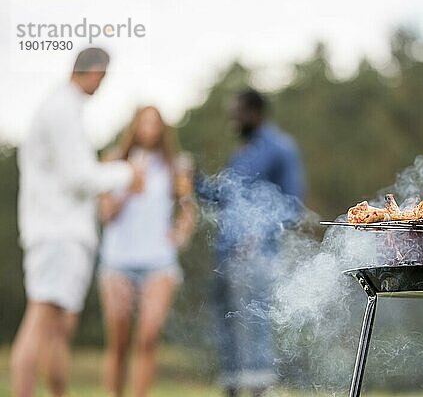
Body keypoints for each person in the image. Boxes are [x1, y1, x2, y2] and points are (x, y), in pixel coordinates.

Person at [12, 48, 144, 397]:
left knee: (59, 327)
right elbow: (79, 177)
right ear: (96, 72)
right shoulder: (61, 109)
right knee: (41, 320)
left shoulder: (63, 107)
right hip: (57, 232)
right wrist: (127, 172)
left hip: (60, 231)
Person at [197, 89, 305, 397]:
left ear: (255, 112)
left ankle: (259, 391)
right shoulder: (242, 153)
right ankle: (231, 388)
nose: (232, 118)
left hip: (257, 254)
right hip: (226, 254)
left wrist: (259, 235)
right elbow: (225, 197)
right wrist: (196, 181)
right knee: (227, 324)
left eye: (237, 111)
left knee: (254, 322)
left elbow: (292, 204)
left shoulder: (281, 148)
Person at [98, 106, 197, 397]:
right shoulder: (114, 161)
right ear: (135, 126)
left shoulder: (176, 166)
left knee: (149, 337)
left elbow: (187, 208)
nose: (150, 129)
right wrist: (129, 186)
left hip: (159, 262)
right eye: (145, 122)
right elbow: (105, 214)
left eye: (156, 123)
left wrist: (180, 233)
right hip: (118, 261)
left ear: (163, 129)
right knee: (118, 342)